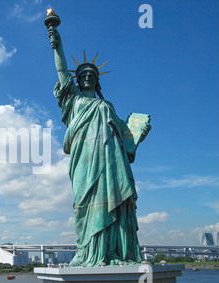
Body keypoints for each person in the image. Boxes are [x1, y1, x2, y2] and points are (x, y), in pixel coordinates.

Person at [48, 26, 150, 267]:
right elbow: (62, 69)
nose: (86, 76)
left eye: (91, 75)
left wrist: (138, 133)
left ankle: (111, 252)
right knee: (84, 204)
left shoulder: (107, 106)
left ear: (96, 79)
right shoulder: (73, 100)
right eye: (82, 74)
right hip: (84, 160)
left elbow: (127, 140)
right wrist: (57, 42)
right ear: (77, 80)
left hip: (110, 162)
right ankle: (87, 252)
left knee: (113, 200)